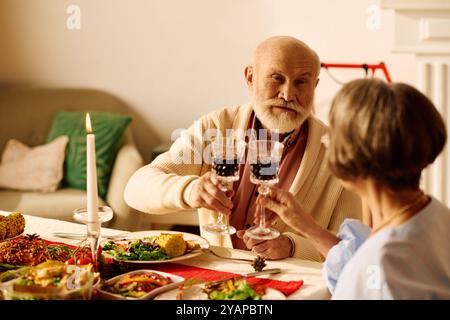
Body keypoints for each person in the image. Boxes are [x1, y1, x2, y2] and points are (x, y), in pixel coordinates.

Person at [124, 36, 362, 261]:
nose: (288, 94)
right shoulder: (215, 128)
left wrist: (292, 247)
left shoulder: (337, 148)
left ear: (314, 86)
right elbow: (135, 189)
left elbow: (350, 249)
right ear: (250, 78)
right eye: (277, 78)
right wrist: (190, 190)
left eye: (301, 82)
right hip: (219, 284)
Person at [260, 78, 450, 299]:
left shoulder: (383, 265)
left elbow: (370, 272)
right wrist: (307, 225)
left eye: (333, 135)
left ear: (357, 156)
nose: (325, 140)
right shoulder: (435, 215)